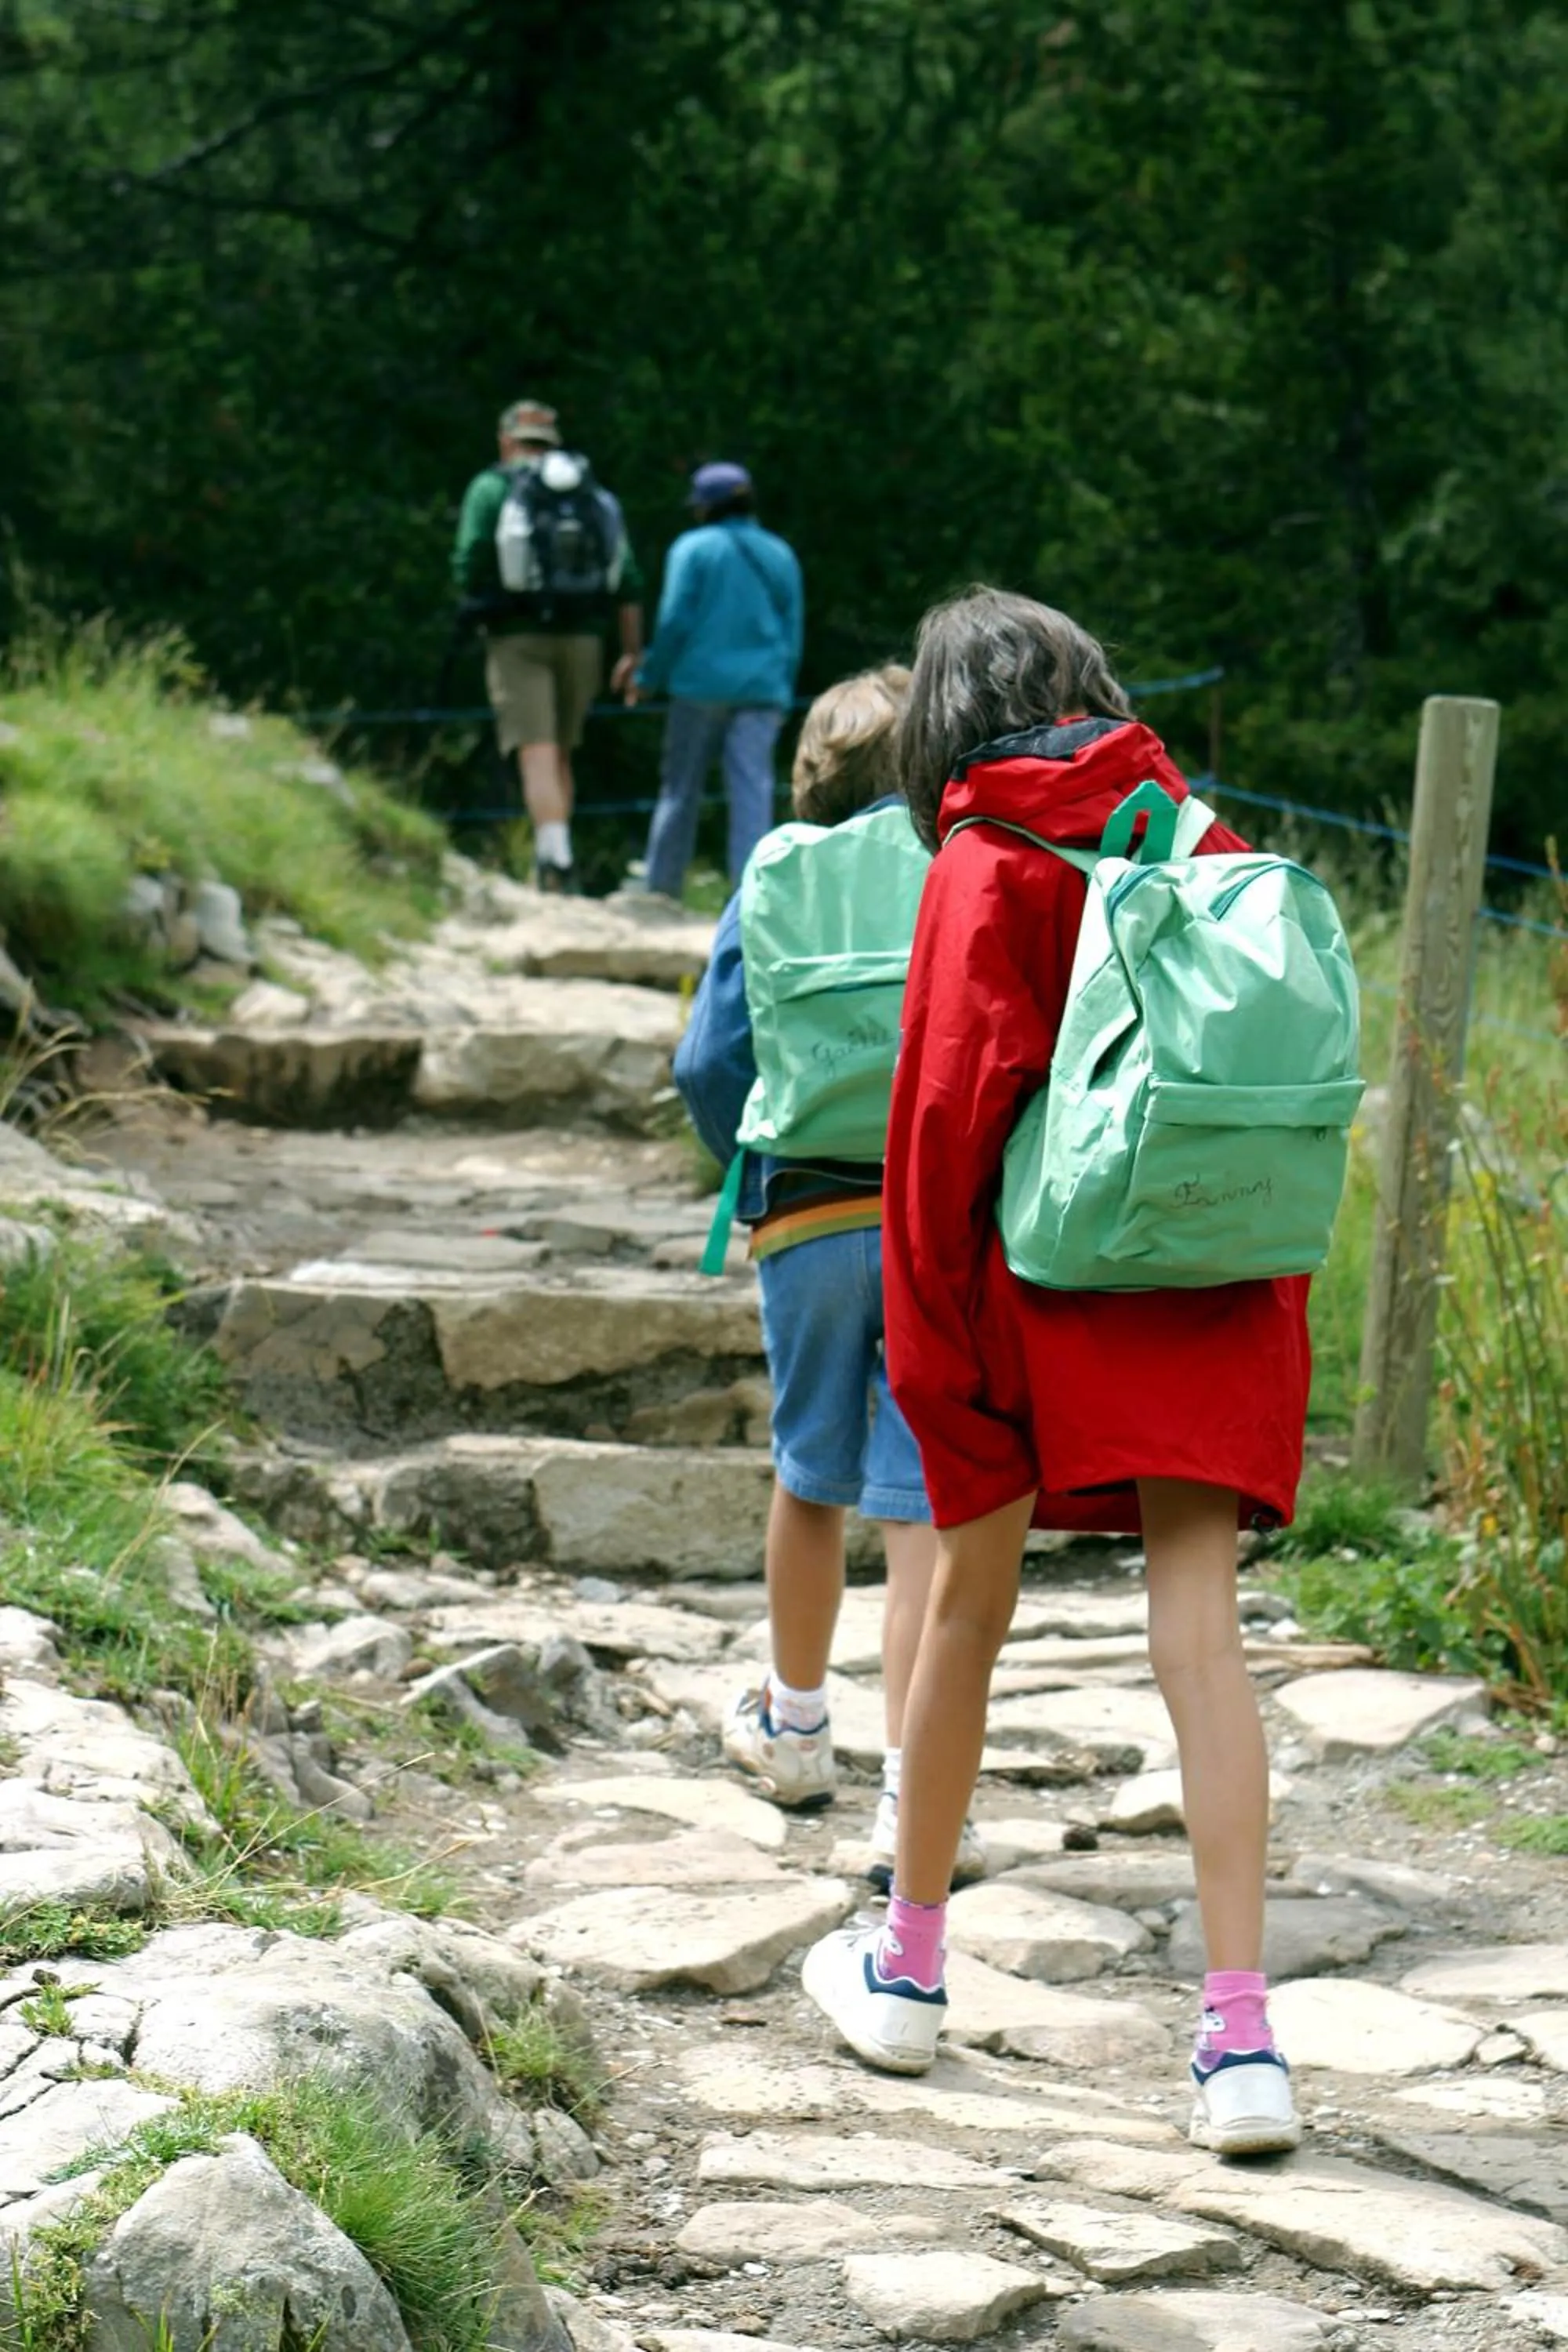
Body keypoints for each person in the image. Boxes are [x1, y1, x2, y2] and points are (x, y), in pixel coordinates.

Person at [801, 590, 1308, 2158]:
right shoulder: (1199, 836)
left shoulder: (984, 855)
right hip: (1212, 1272)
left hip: (1037, 1283)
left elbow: (944, 1119)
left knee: (965, 1610)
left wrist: (933, 1347)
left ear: (944, 719)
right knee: (1203, 1641)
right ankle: (1241, 2046)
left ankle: (908, 1971)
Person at [673, 664, 984, 1890]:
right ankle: (916, 1789)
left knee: (808, 1476)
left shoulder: (776, 871)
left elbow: (710, 1059)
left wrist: (753, 1154)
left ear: (813, 775)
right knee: (918, 1510)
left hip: (804, 1214)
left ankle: (796, 1727)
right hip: (933, 1224)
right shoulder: (959, 867)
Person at [452, 398, 644, 891]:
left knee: (536, 749)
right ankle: (558, 851)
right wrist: (632, 652)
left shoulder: (493, 488)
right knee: (562, 750)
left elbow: (469, 560)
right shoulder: (590, 493)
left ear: (506, 440)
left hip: (517, 637)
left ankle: (553, 860)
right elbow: (627, 579)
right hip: (584, 639)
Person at [629, 462, 803, 903]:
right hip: (762, 690)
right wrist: (782, 691)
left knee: (679, 790)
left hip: (698, 688)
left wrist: (649, 676)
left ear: (705, 507)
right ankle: (750, 898)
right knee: (752, 793)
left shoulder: (692, 549)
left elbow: (674, 621)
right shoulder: (779, 553)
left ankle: (661, 889)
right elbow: (792, 631)